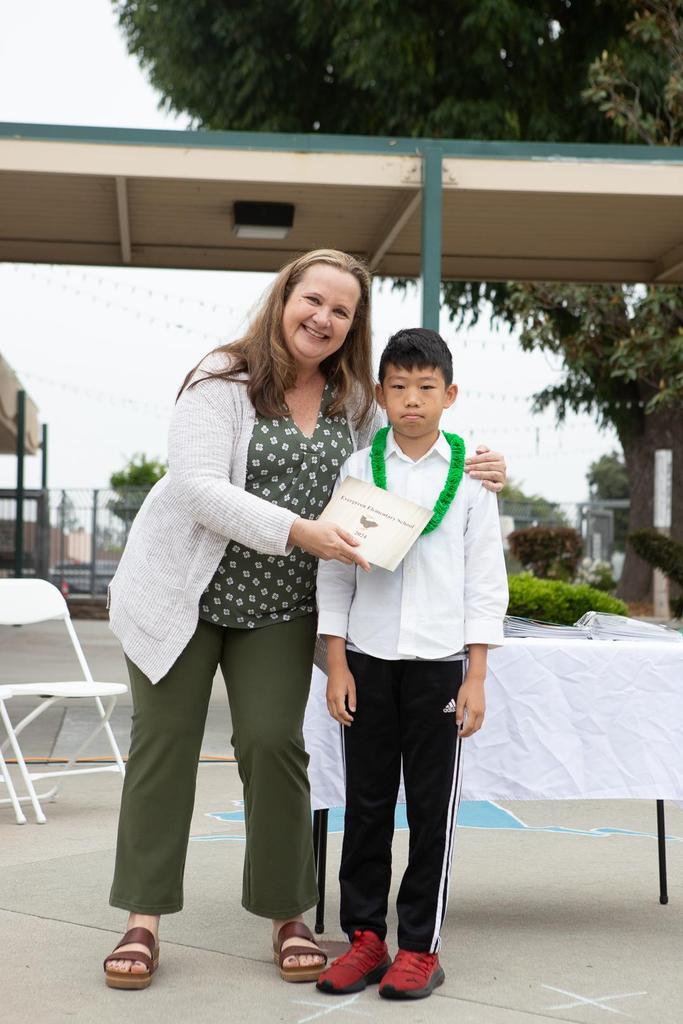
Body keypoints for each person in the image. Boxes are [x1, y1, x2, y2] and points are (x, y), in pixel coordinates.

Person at [102, 252, 507, 990]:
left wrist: (481, 466)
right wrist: (298, 529)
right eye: (312, 300)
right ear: (284, 298)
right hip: (181, 595)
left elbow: (405, 457)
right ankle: (143, 918)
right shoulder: (221, 380)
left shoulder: (355, 401)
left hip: (279, 604)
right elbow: (197, 488)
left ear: (353, 326)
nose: (322, 318)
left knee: (274, 744)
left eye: (340, 311)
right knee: (164, 745)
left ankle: (287, 913)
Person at [315, 328, 509, 1001]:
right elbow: (334, 571)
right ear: (380, 393)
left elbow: (485, 581)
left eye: (426, 388)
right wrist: (336, 663)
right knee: (365, 805)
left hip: (439, 666)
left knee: (430, 810)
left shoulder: (471, 479)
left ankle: (420, 947)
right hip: (367, 660)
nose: (412, 400)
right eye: (398, 387)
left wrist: (475, 675)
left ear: (449, 395)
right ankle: (365, 938)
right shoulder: (359, 469)